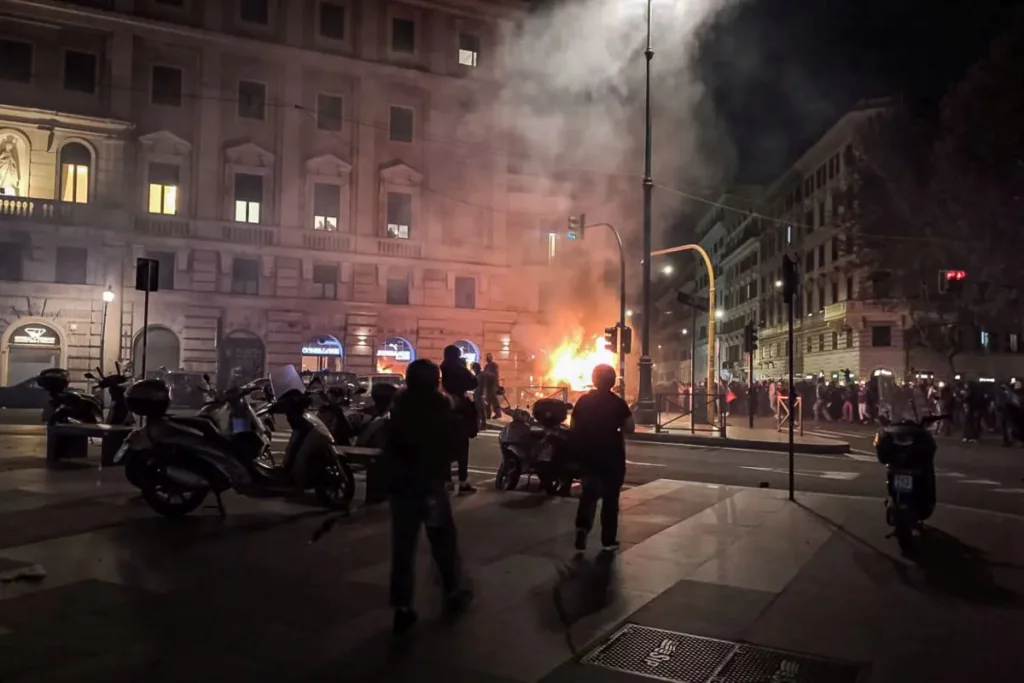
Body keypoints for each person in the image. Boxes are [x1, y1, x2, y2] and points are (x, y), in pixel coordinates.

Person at [385, 359, 472, 634]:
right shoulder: (442, 409)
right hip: (431, 486)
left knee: (403, 548)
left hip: (403, 488)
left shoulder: (398, 408)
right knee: (443, 540)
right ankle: (452, 590)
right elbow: (457, 444)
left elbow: (390, 447)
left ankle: (402, 607)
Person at [571, 364, 635, 553]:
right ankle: (608, 539)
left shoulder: (583, 401)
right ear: (612, 381)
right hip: (611, 456)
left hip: (587, 454)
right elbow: (630, 428)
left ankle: (582, 527)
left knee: (588, 494)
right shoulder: (617, 403)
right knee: (610, 498)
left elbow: (573, 425)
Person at [440, 344, 478, 494]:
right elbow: (473, 382)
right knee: (462, 449)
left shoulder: (443, 367)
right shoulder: (458, 368)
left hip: (445, 410)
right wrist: (466, 368)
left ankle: (447, 481)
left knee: (446, 449)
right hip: (459, 411)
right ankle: (463, 482)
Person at [483, 353, 502, 419]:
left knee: (492, 400)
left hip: (492, 386)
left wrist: (497, 385)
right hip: (488, 386)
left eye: (489, 357)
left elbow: (495, 375)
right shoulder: (487, 366)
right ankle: (489, 415)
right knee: (488, 400)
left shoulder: (493, 365)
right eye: (488, 357)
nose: (488, 358)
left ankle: (497, 413)